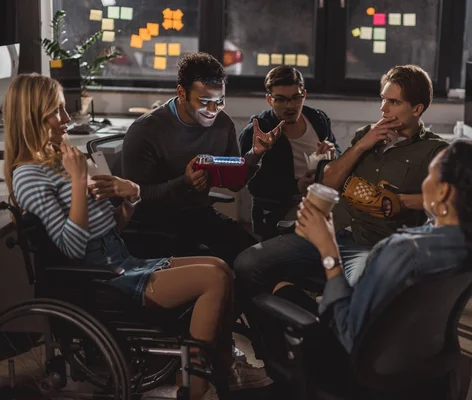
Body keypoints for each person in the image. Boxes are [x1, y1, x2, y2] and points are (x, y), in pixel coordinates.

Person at [3, 73, 271, 399]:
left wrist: (130, 196)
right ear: (32, 116)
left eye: (63, 109)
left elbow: (108, 229)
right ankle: (197, 390)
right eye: (55, 112)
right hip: (103, 280)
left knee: (220, 268)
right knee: (213, 281)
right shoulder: (29, 176)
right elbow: (72, 247)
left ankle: (224, 367)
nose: (65, 119)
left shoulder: (61, 162)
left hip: (120, 262)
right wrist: (77, 182)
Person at [234, 64, 448, 303]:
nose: (383, 109)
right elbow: (328, 181)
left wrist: (401, 202)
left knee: (361, 298)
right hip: (327, 233)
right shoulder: (367, 135)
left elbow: (452, 200)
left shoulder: (435, 150)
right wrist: (361, 145)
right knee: (247, 264)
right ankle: (310, 327)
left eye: (393, 102)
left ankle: (319, 324)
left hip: (371, 246)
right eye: (383, 99)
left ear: (417, 108)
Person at [292, 139, 472, 353]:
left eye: (429, 174)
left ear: (443, 192)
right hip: (424, 361)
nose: (424, 182)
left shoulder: (400, 250)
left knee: (282, 288)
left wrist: (328, 249)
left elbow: (348, 334)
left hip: (362, 366)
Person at [121, 52, 282, 266]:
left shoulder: (223, 124)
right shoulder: (146, 130)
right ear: (181, 93)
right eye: (205, 102)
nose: (213, 110)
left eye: (220, 101)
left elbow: (234, 185)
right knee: (216, 269)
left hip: (198, 215)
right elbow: (137, 197)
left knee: (256, 261)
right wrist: (184, 183)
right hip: (153, 225)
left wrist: (255, 154)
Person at [239, 66, 340, 239]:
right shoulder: (257, 131)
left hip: (321, 199)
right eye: (280, 100)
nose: (290, 106)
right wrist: (296, 186)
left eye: (295, 98)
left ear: (304, 95)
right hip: (280, 211)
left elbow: (338, 152)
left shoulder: (318, 119)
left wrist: (332, 153)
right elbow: (254, 186)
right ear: (269, 100)